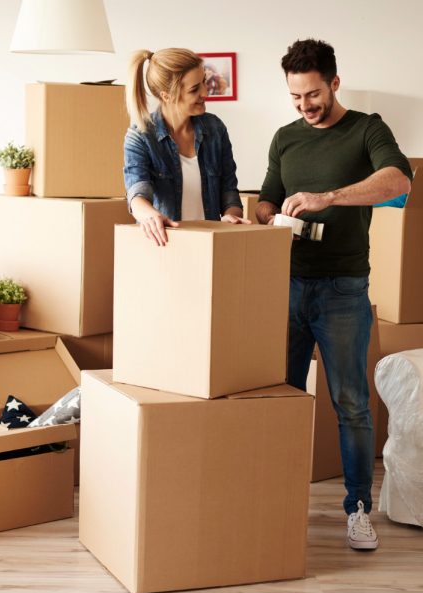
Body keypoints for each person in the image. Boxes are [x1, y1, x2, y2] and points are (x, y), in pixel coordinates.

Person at [256, 39, 412, 550]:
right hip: (287, 285)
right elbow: (267, 199)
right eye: (296, 97)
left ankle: (358, 511)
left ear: (335, 82)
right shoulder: (285, 138)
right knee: (278, 398)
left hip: (344, 290)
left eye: (313, 94)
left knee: (351, 404)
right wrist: (260, 215)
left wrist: (328, 197)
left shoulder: (368, 128)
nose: (305, 105)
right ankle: (271, 501)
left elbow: (399, 181)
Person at [124, 47, 249, 246]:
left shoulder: (215, 129)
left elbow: (229, 193)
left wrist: (230, 217)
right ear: (167, 96)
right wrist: (150, 216)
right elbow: (138, 193)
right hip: (167, 246)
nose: (205, 92)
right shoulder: (141, 136)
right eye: (194, 89)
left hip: (212, 246)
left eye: (204, 83)